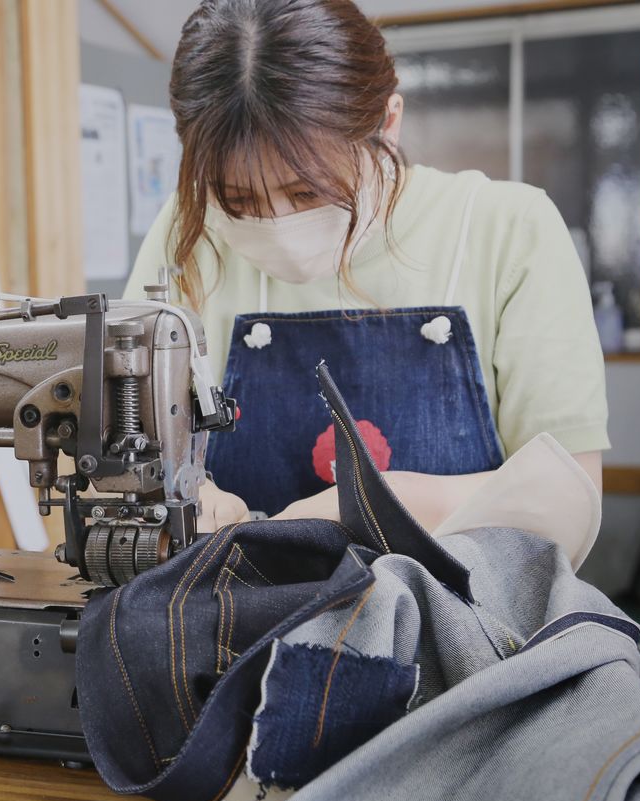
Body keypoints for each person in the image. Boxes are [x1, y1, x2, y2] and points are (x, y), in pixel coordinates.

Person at [124, 0, 608, 534]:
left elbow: (567, 498)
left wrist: (397, 500)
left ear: (388, 124)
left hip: (457, 614)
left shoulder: (508, 229)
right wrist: (187, 496)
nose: (276, 223)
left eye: (306, 190)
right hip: (243, 610)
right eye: (239, 199)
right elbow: (126, 448)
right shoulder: (189, 230)